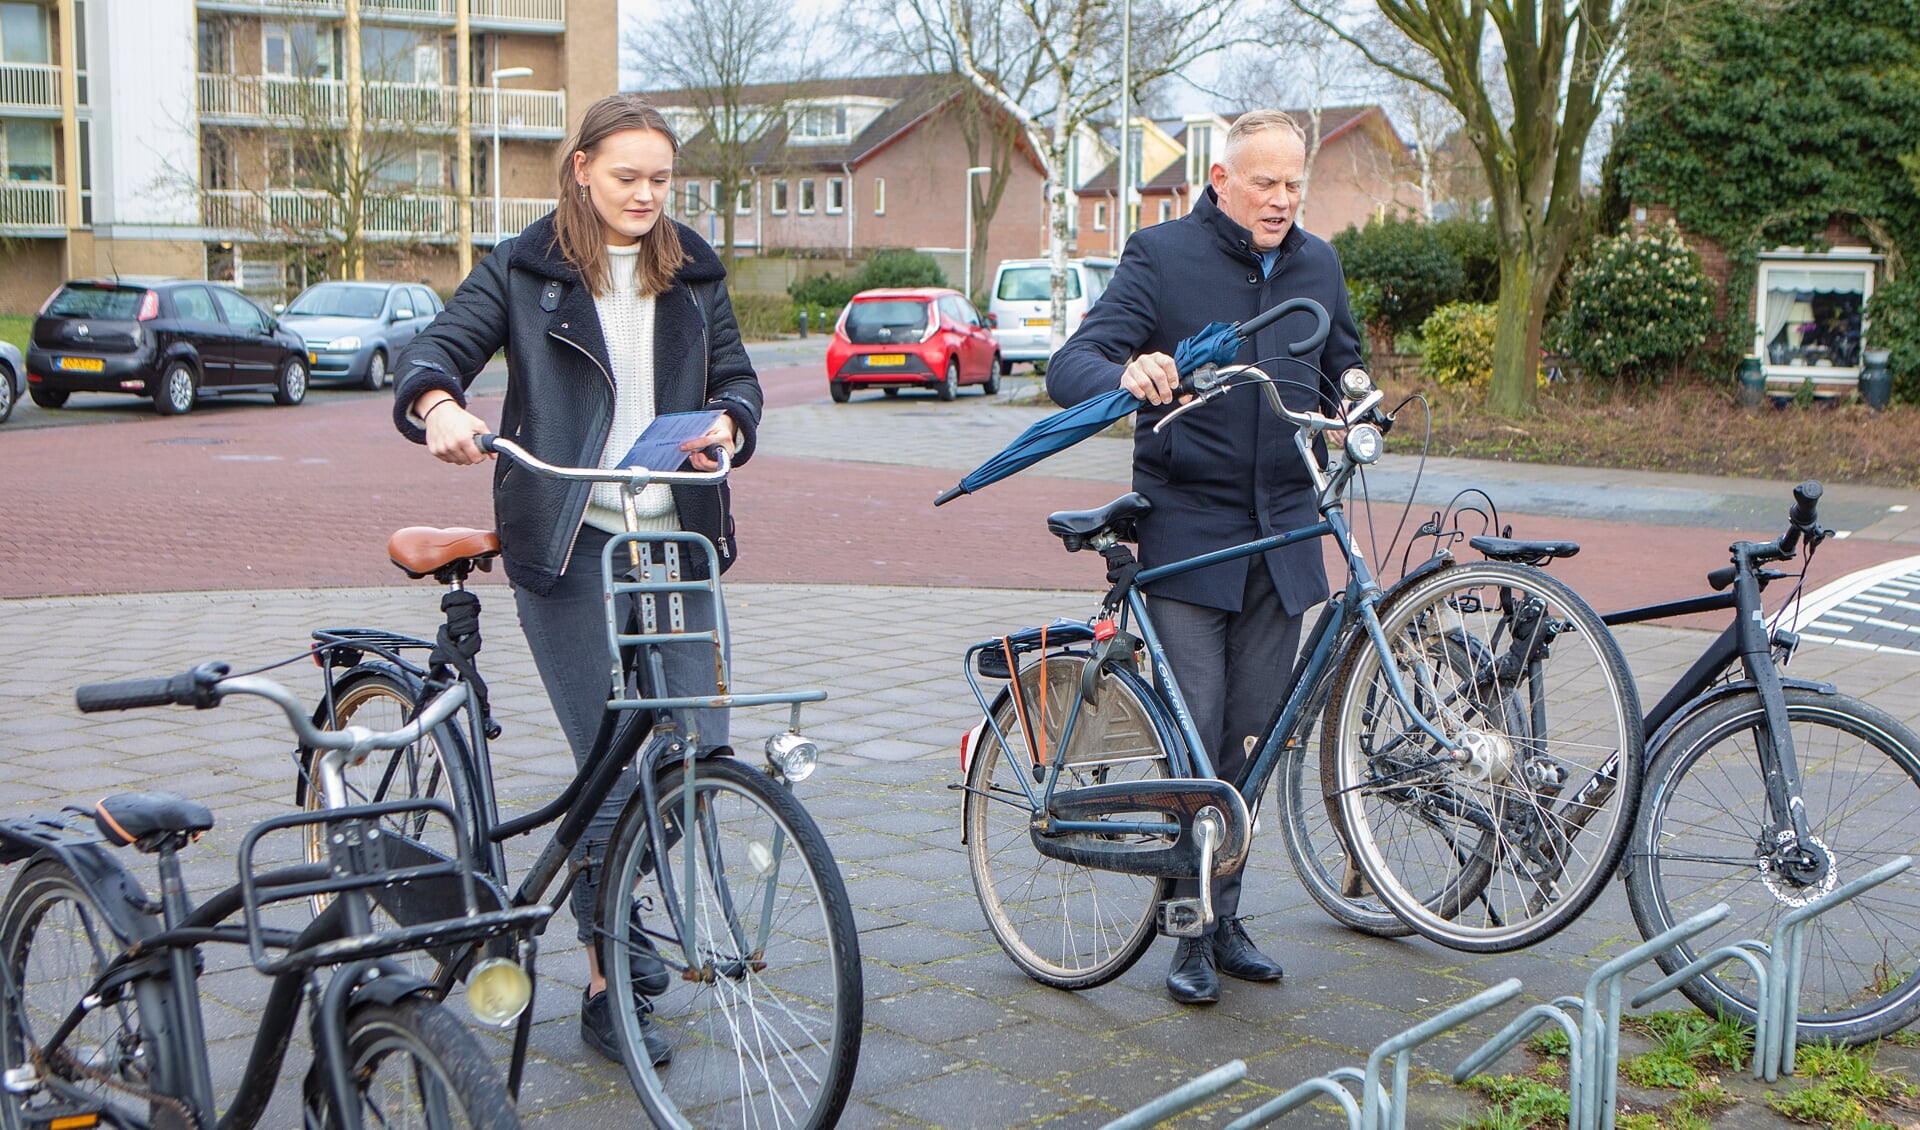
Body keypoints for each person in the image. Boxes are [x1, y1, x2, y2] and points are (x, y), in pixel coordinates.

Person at [391, 93, 763, 1064]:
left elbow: (739, 380)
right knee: (608, 768)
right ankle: (606, 984)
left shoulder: (696, 271)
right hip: (568, 540)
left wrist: (728, 418)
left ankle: (614, 890)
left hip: (673, 541)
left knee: (696, 752)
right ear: (583, 168)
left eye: (661, 179)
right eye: (628, 175)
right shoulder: (527, 268)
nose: (646, 194)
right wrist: (439, 405)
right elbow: (439, 349)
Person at [1046, 109, 1365, 1006]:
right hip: (1190, 535)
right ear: (1219, 179)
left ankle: (1225, 913)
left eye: (1295, 182)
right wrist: (1125, 374)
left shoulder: (1320, 264)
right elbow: (1074, 361)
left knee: (1251, 741)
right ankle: (1185, 924)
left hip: (1287, 536)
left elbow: (1347, 367)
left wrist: (1357, 409)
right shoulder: (1160, 256)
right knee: (1197, 740)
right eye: (1265, 182)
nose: (1282, 199)